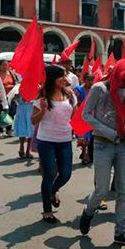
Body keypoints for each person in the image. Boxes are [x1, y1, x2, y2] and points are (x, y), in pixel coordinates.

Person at [79, 59, 125, 247]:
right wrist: (108, 132)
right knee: (102, 190)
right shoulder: (99, 89)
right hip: (102, 144)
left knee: (123, 191)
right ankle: (89, 211)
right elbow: (86, 114)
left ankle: (120, 232)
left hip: (123, 145)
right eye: (124, 79)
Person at [31, 65, 76, 223]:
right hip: (46, 141)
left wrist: (80, 133)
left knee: (65, 174)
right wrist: (42, 110)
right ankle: (47, 211)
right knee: (49, 175)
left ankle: (53, 191)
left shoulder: (70, 95)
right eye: (61, 76)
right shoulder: (42, 96)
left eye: (65, 76)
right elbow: (33, 120)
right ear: (52, 79)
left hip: (65, 140)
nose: (65, 79)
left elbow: (74, 117)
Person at [9, 84, 35, 159]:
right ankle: (21, 147)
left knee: (31, 129)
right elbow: (12, 98)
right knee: (21, 127)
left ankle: (28, 150)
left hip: (31, 108)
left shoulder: (36, 86)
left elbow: (39, 97)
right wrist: (18, 95)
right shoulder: (18, 87)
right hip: (21, 108)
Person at [73, 73, 94, 165]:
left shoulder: (94, 90)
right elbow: (75, 102)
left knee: (89, 136)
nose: (90, 82)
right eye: (88, 80)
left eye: (91, 80)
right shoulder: (78, 90)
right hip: (80, 115)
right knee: (83, 136)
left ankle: (87, 154)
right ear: (84, 80)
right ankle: (84, 152)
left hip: (91, 115)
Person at [0, 60, 18, 138]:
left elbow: (16, 84)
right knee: (1, 113)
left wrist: (12, 87)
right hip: (1, 97)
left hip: (11, 97)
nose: (6, 66)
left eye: (7, 65)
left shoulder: (12, 73)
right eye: (4, 65)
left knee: (11, 113)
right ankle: (1, 130)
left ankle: (9, 130)